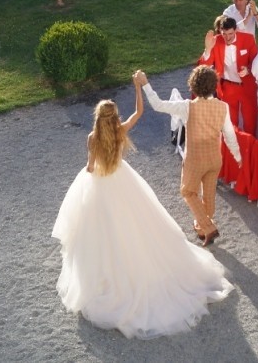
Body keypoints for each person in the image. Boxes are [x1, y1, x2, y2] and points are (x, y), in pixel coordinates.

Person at [52, 80, 233, 338]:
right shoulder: (121, 131)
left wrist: (89, 171)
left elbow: (90, 168)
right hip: (123, 181)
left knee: (101, 232)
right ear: (115, 117)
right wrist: (138, 88)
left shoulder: (92, 138)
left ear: (97, 118)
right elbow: (138, 112)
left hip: (100, 187)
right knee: (138, 226)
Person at [139, 67, 243, 249]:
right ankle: (201, 227)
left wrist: (145, 83)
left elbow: (158, 105)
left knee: (187, 192)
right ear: (214, 86)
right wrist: (237, 155)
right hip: (214, 159)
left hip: (195, 159)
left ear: (193, 86)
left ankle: (208, 227)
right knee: (209, 194)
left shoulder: (188, 106)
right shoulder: (223, 107)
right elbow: (229, 134)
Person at [197, 16, 258, 135]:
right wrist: (208, 49)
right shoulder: (216, 41)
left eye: (230, 33)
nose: (227, 37)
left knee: (250, 123)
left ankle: (249, 150)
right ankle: (231, 150)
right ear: (220, 31)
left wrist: (249, 69)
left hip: (247, 87)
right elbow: (203, 66)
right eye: (224, 34)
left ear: (236, 30)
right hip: (228, 87)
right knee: (230, 124)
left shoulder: (248, 39)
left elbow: (256, 61)